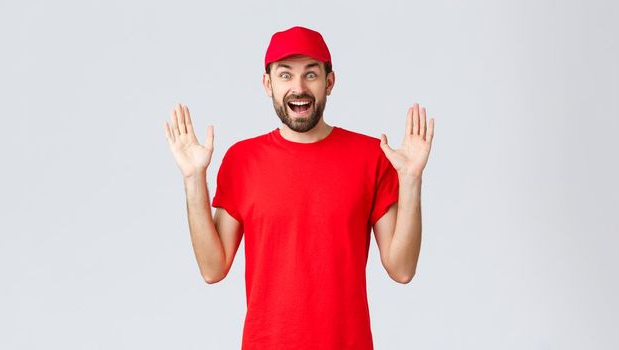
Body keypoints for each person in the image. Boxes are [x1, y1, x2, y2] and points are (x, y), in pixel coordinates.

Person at [163, 26, 435, 350]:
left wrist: (412, 179)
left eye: (310, 74)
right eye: (285, 75)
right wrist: (194, 179)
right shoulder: (243, 160)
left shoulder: (370, 157)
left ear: (329, 82)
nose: (298, 87)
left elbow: (401, 269)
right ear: (268, 85)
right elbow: (212, 268)